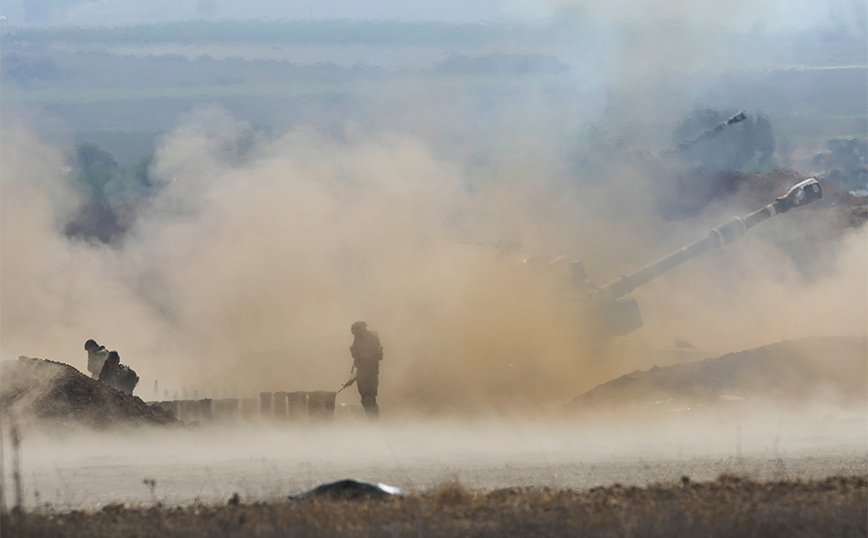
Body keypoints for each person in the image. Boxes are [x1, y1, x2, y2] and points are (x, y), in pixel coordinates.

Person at [349, 321, 383, 418]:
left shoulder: (371, 338)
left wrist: (357, 352)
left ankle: (374, 423)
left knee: (369, 400)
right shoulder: (360, 339)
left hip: (370, 373)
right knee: (365, 399)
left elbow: (371, 355)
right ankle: (372, 422)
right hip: (363, 373)